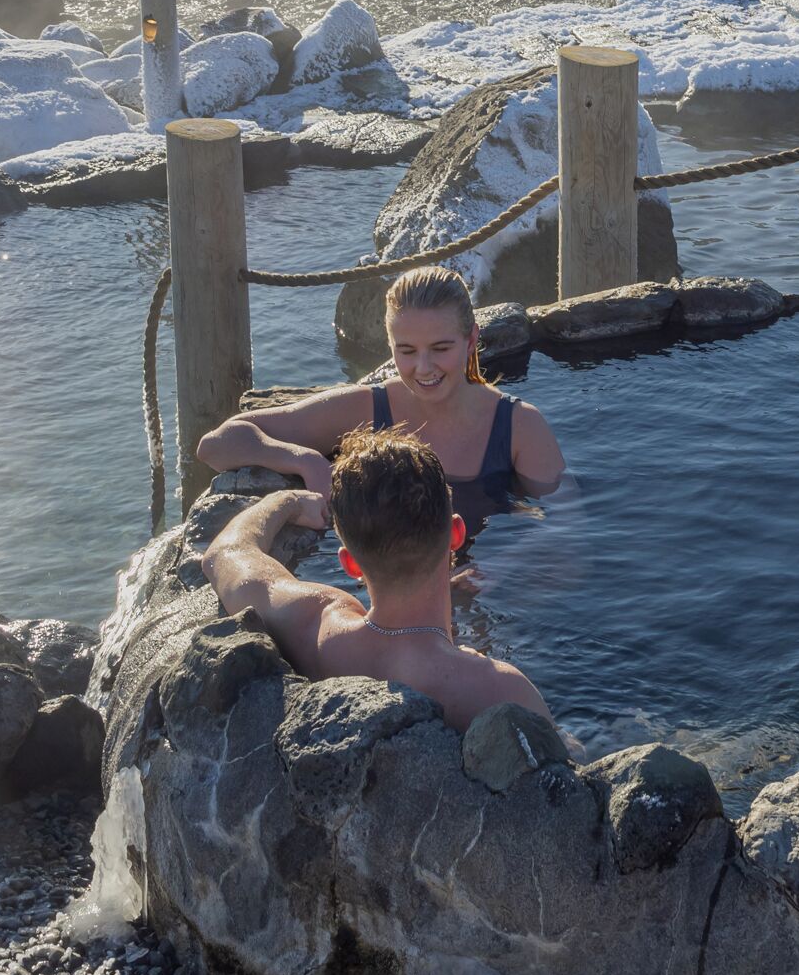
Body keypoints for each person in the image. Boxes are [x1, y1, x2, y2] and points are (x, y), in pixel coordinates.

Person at [200, 428, 549, 732]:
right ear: (456, 533)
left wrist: (287, 501)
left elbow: (225, 554)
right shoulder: (498, 688)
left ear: (350, 564)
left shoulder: (318, 628)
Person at [195, 264, 565, 522]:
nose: (423, 368)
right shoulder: (367, 409)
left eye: (440, 348)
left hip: (484, 584)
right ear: (389, 345)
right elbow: (217, 444)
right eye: (406, 351)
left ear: (471, 340)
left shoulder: (519, 426)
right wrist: (305, 461)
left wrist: (499, 572)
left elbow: (564, 526)